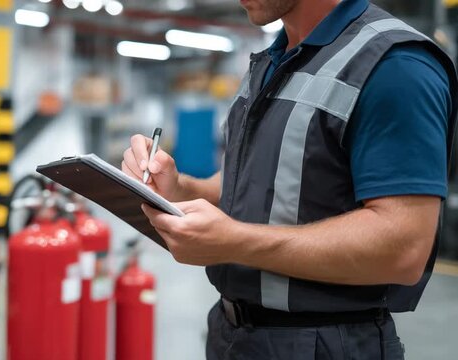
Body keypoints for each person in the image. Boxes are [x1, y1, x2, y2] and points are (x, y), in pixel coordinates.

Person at [122, 0, 458, 358]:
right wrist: (178, 187)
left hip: (322, 345)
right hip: (232, 335)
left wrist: (236, 242)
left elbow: (404, 248)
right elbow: (245, 186)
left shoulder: (396, 66)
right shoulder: (271, 62)